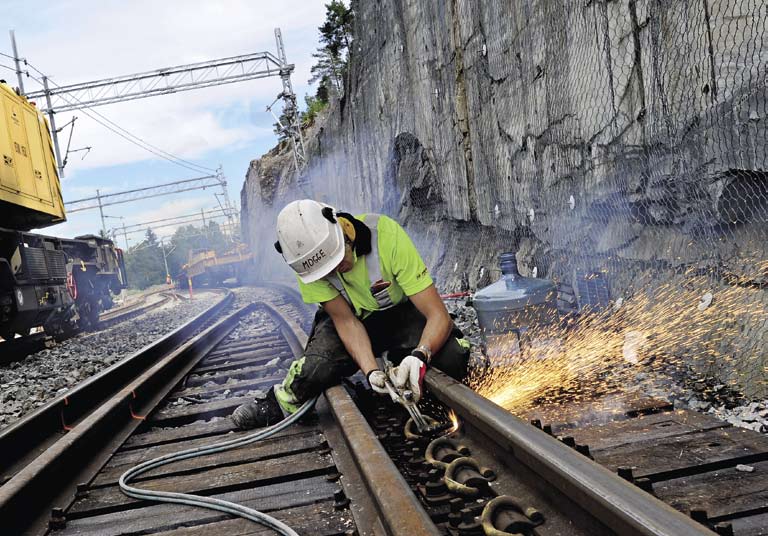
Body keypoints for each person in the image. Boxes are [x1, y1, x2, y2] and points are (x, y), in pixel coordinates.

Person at [231, 199, 470, 429]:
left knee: (452, 356)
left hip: (400, 315)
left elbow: (438, 315)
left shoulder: (385, 236)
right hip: (354, 321)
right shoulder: (306, 264)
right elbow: (345, 321)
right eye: (328, 270)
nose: (335, 270)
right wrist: (371, 372)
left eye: (337, 259)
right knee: (317, 368)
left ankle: (407, 365)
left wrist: (420, 355)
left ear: (342, 230)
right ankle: (281, 400)